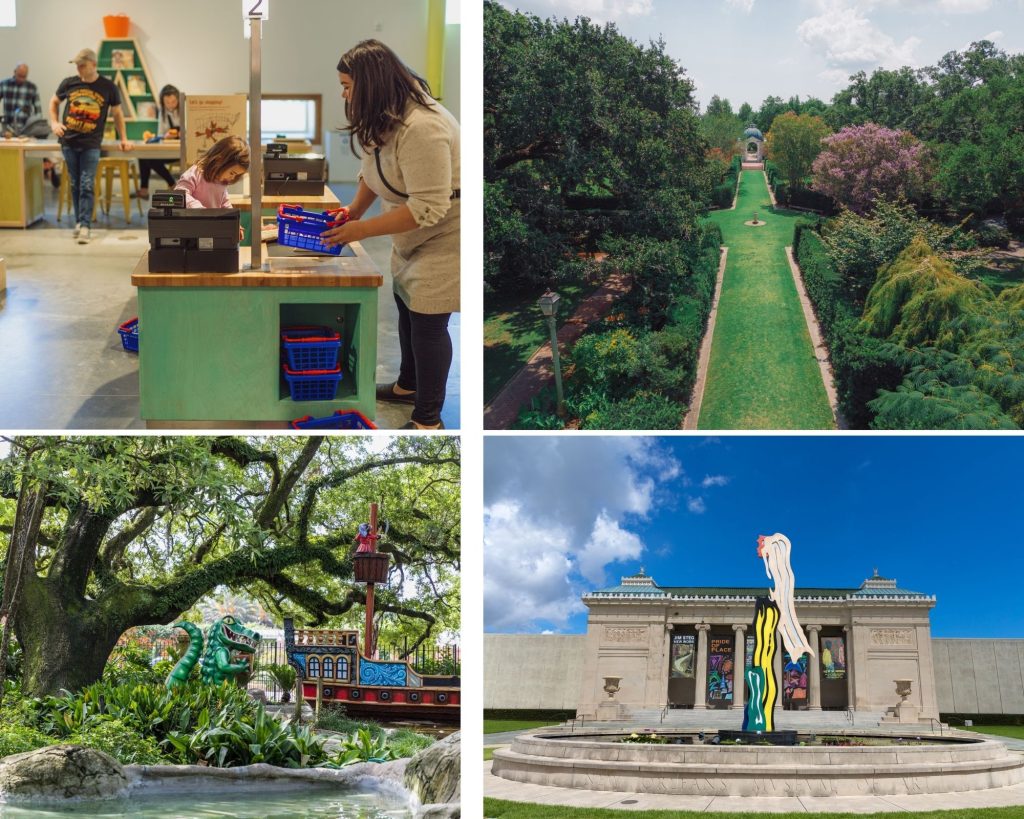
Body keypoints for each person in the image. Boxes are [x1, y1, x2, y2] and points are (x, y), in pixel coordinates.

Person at [320, 40, 460, 430]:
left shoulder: (424, 126)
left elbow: (428, 208)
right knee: (406, 302)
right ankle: (407, 386)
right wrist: (353, 212)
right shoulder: (382, 117)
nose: (343, 93)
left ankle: (428, 419)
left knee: (429, 320)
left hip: (448, 229)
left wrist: (360, 230)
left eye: (347, 85)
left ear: (372, 83)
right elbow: (371, 170)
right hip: (411, 228)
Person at [48, 49, 131, 245]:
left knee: (86, 183)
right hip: (68, 141)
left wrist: (124, 138)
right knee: (75, 183)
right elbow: (54, 102)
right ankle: (79, 221)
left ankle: (85, 225)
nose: (79, 69)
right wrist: (54, 123)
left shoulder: (108, 87)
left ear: (93, 64)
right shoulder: (69, 82)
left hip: (91, 144)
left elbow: (118, 114)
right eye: (77, 65)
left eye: (82, 65)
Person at [174, 134, 249, 241]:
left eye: (236, 175)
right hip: (191, 230)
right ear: (220, 161)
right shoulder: (195, 173)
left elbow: (225, 204)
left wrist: (235, 223)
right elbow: (180, 193)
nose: (232, 178)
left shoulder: (222, 181)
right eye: (232, 173)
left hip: (211, 229)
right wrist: (200, 210)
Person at [136, 84, 181, 199]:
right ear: (162, 102)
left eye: (173, 101)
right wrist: (166, 136)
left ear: (178, 100)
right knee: (143, 155)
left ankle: (171, 184)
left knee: (149, 158)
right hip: (168, 148)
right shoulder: (162, 113)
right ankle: (145, 189)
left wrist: (181, 134)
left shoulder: (183, 111)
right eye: (167, 102)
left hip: (181, 151)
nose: (171, 105)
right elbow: (161, 134)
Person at [0, 63, 41, 136]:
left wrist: (37, 127)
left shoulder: (32, 87)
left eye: (24, 76)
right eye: (19, 76)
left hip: (26, 129)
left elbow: (38, 111)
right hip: (7, 129)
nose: (21, 79)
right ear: (15, 72)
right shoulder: (4, 84)